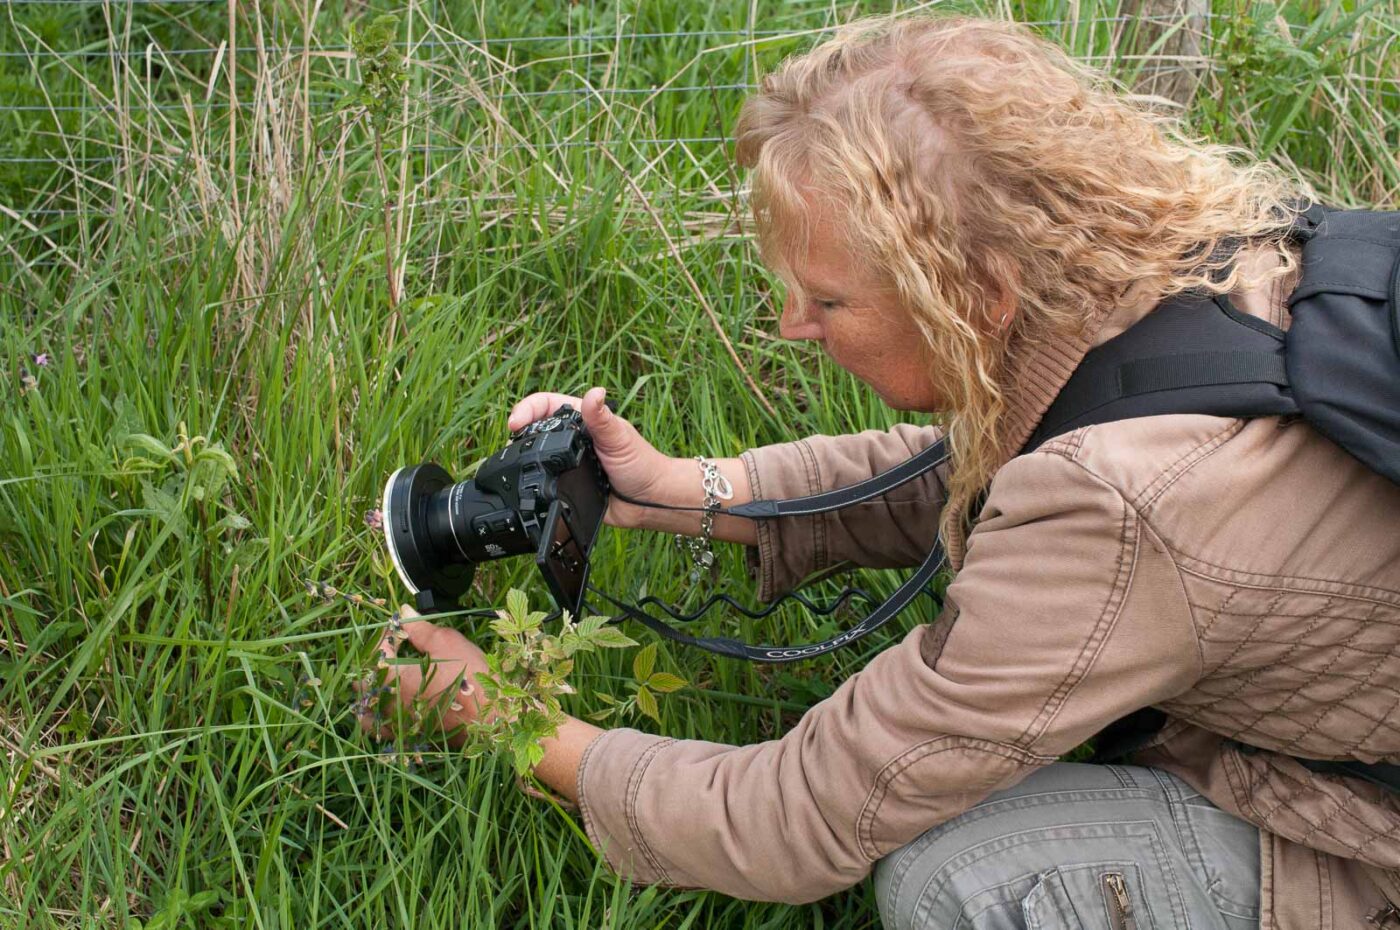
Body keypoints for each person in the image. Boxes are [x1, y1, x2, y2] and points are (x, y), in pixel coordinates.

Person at [361, 15, 1400, 929]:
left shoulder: (1115, 503)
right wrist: (682, 488)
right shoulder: (1203, 257)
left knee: (959, 875)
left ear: (979, 292)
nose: (790, 325)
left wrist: (500, 716)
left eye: (829, 299)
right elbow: (995, 458)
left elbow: (797, 812)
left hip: (1373, 842)